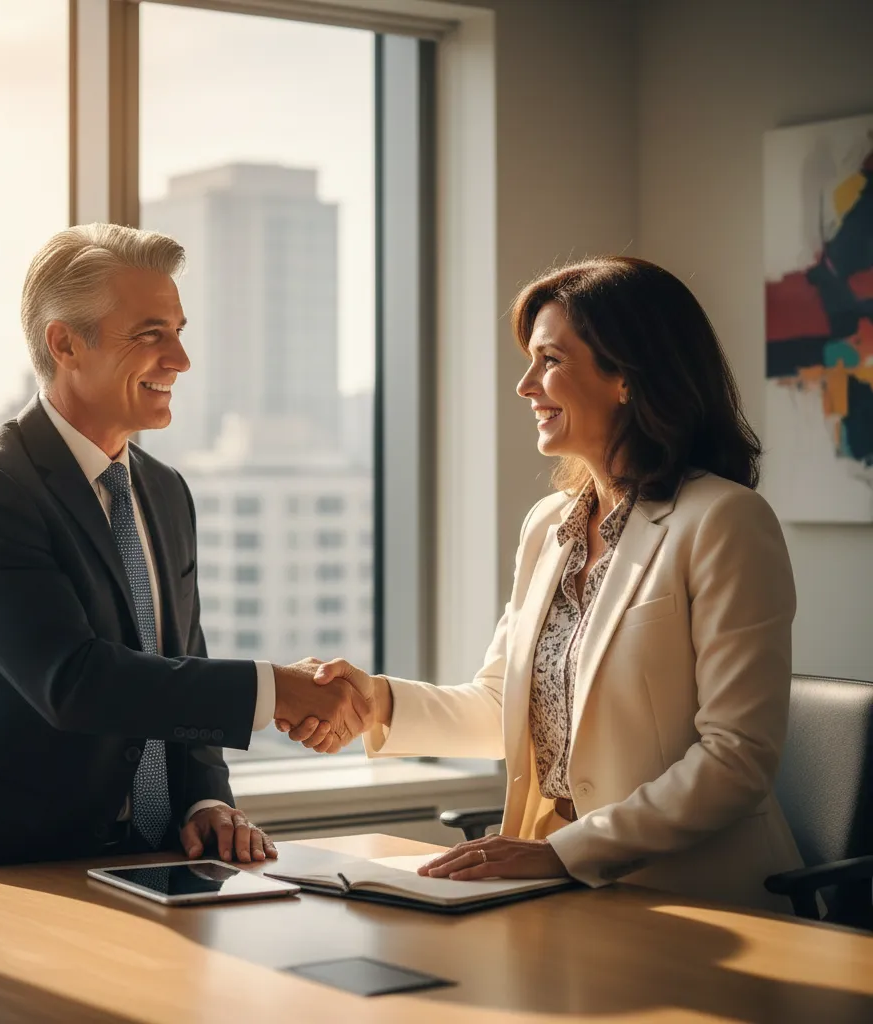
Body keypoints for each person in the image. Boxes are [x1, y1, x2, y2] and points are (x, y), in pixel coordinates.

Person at [284, 256, 804, 911]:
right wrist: (376, 701)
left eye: (550, 360)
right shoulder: (549, 526)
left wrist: (568, 849)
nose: (526, 385)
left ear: (626, 378)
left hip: (691, 897)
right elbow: (506, 706)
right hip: (555, 888)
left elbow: (737, 759)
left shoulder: (724, 521)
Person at [0, 224, 367, 874]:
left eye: (178, 331)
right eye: (151, 335)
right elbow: (74, 682)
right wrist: (271, 690)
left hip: (152, 857)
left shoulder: (165, 491)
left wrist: (203, 798)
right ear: (65, 344)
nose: (180, 359)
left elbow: (178, 658)